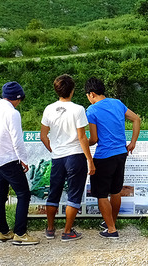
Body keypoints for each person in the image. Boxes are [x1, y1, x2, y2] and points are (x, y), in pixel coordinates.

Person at [40, 74, 95, 241]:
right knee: (74, 194)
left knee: (53, 192)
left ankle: (50, 229)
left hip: (58, 157)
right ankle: (67, 231)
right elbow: (82, 137)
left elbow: (43, 136)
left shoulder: (49, 109)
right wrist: (90, 160)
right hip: (75, 156)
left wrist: (54, 149)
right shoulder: (78, 109)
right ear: (72, 91)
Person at [84, 77, 141, 239]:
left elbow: (94, 139)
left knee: (102, 194)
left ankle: (111, 230)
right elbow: (136, 119)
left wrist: (83, 143)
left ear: (92, 94)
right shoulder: (117, 103)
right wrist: (133, 142)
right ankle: (112, 222)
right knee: (115, 191)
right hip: (121, 153)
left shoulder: (92, 110)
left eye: (88, 95)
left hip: (104, 156)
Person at [0, 81, 39, 246]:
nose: (19, 103)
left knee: (0, 196)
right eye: (20, 99)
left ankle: (3, 231)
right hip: (8, 159)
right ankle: (20, 233)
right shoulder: (12, 113)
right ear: (17, 98)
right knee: (23, 194)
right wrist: (24, 160)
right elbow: (17, 140)